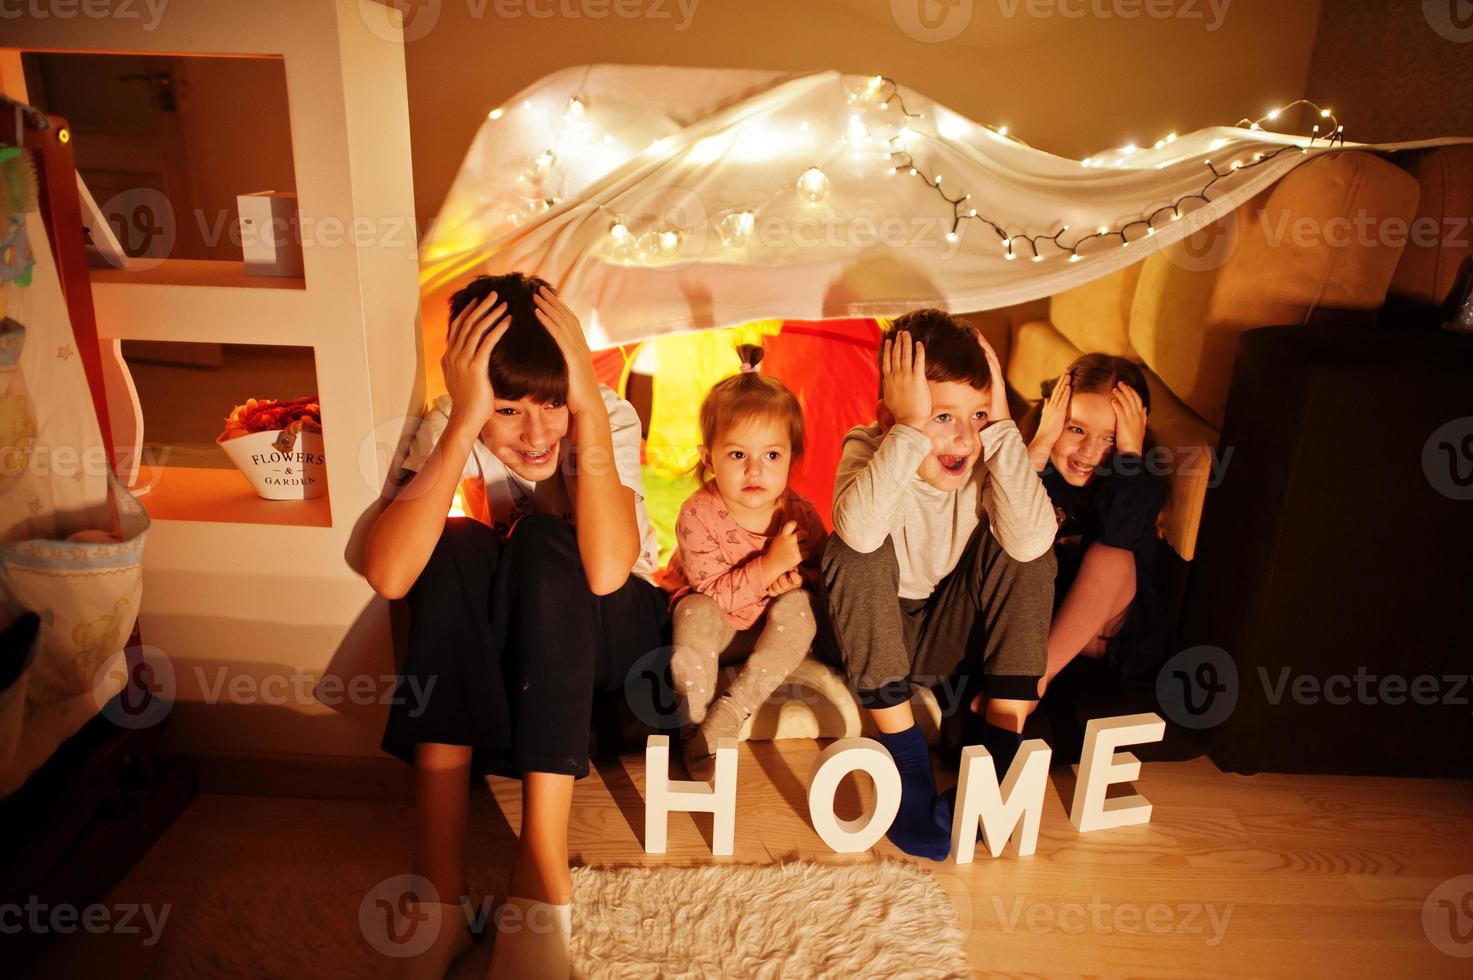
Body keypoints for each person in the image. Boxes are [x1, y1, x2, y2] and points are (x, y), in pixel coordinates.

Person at [365, 273, 665, 979]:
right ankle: (438, 895)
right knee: (458, 545)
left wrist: (586, 407)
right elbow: (389, 575)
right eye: (507, 410)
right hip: (511, 678)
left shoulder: (605, 415)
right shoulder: (455, 422)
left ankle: (540, 883)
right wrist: (465, 422)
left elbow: (605, 572)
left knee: (541, 543)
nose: (535, 434)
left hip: (617, 658)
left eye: (552, 404)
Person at [821, 309, 1057, 861]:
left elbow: (1032, 543)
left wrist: (1001, 430)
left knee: (1027, 548)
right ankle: (906, 761)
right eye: (942, 417)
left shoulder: (989, 456)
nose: (965, 436)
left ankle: (999, 749)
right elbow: (856, 532)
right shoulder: (870, 446)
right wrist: (904, 434)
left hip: (948, 631)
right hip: (877, 629)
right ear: (892, 417)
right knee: (855, 547)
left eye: (978, 414)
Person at [661, 344, 827, 780]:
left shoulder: (801, 513)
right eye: (738, 455)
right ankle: (692, 726)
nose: (756, 470)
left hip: (768, 633)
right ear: (707, 457)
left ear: (791, 457)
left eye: (772, 455)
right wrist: (770, 565)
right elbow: (710, 591)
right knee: (693, 613)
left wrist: (798, 581)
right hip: (718, 625)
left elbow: (824, 575)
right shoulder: (697, 513)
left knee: (801, 611)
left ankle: (731, 712)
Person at [1024, 354, 1167, 698]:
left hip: (1107, 635)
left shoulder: (1137, 481)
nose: (1089, 453)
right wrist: (1041, 442)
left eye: (1111, 438)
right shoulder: (1035, 463)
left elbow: (1120, 535)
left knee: (1111, 557)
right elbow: (999, 516)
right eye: (1076, 429)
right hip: (1036, 618)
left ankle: (1030, 688)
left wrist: (1129, 452)